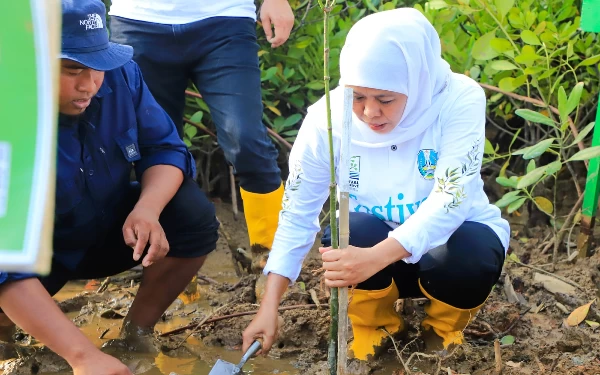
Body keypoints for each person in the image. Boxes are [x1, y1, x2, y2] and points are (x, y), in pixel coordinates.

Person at [241, 8, 511, 361]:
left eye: (385, 99)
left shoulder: (458, 99)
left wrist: (374, 258)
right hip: (369, 252)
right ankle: (375, 328)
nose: (369, 113)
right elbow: (298, 211)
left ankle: (442, 332)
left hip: (442, 249)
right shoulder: (328, 118)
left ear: (417, 82)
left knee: (473, 250)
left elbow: (451, 199)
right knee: (348, 230)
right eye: (358, 97)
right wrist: (269, 305)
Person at [0, 1, 219, 373]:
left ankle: (136, 332)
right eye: (72, 70)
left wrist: (147, 208)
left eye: (98, 66)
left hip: (101, 228)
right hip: (29, 257)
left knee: (191, 214)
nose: (89, 85)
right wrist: (83, 357)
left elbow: (164, 148)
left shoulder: (120, 75)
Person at [107, 0, 294, 268]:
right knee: (151, 153)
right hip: (137, 22)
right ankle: (176, 279)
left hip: (225, 19)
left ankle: (274, 265)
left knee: (246, 140)